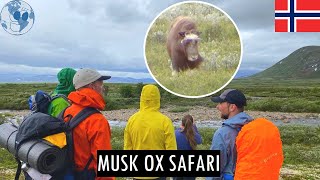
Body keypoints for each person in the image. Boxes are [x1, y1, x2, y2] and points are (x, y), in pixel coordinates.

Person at [63, 68, 113, 180]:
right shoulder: (97, 120)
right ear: (92, 86)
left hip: (69, 174)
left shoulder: (67, 112)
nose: (102, 87)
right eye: (100, 83)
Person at [124, 84, 177, 180]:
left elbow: (127, 148)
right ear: (158, 98)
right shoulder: (165, 121)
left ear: (142, 98)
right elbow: (171, 149)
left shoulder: (132, 120)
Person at [206, 89, 253, 180]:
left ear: (232, 107)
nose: (217, 106)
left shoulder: (222, 134)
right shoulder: (251, 127)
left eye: (220, 103)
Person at [174, 114, 202, 180]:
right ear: (192, 124)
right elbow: (199, 141)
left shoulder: (175, 133)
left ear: (181, 123)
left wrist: (179, 128)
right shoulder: (194, 134)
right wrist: (194, 128)